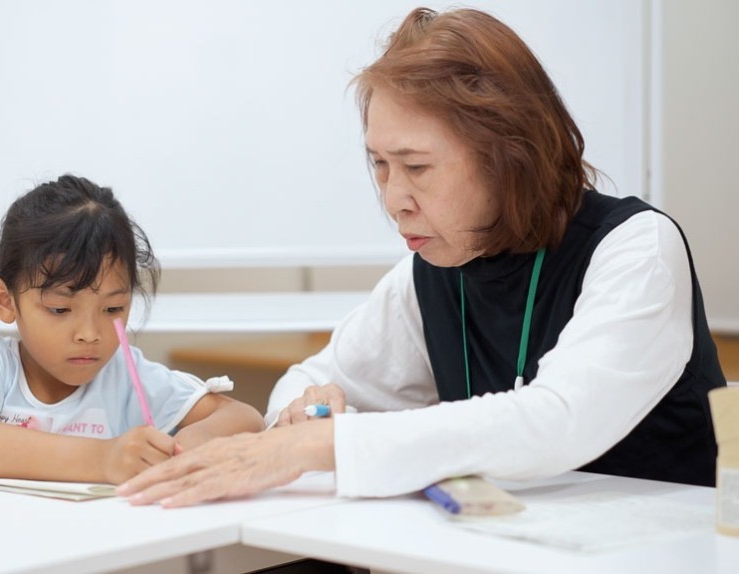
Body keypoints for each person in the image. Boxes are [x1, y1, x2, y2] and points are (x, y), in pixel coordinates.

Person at [118, 7, 725, 507]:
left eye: (416, 167)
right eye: (379, 165)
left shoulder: (637, 248)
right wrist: (305, 417)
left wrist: (312, 448)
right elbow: (308, 381)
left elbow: (557, 419)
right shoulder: (432, 268)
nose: (392, 199)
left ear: (507, 156)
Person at [0, 175, 264, 484]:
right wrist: (104, 458)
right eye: (60, 309)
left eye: (113, 309)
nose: (89, 333)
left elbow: (243, 417)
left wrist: (189, 444)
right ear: (5, 300)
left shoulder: (124, 375)